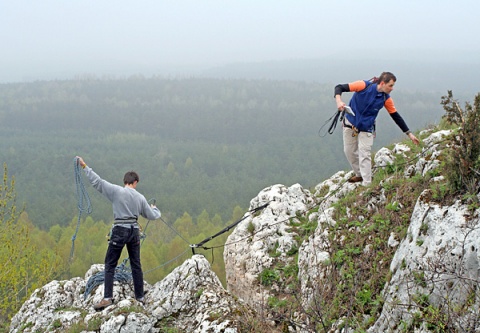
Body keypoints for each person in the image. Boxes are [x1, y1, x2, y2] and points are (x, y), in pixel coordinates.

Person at [76, 156, 161, 311]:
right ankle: (140, 297)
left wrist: (84, 166)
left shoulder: (116, 191)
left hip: (120, 230)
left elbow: (98, 182)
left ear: (125, 181)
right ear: (135, 183)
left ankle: (108, 298)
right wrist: (155, 209)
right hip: (134, 231)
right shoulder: (140, 197)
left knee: (110, 264)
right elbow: (152, 215)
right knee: (136, 264)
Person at [334, 72, 420, 186]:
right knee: (349, 151)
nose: (392, 88)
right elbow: (339, 88)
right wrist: (339, 101)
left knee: (364, 153)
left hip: (367, 127)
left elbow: (395, 116)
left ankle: (367, 184)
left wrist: (409, 134)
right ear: (382, 83)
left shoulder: (386, 99)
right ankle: (359, 174)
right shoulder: (363, 85)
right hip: (350, 123)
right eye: (391, 85)